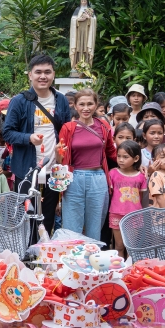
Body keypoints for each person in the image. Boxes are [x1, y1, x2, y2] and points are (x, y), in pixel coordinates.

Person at [3, 54, 72, 235]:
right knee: (26, 216)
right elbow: (7, 132)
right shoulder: (19, 101)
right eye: (38, 72)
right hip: (27, 170)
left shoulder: (61, 100)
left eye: (47, 72)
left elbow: (67, 131)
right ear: (30, 75)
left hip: (53, 170)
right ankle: (26, 257)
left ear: (53, 74)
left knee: (48, 217)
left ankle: (42, 256)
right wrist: (28, 138)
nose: (43, 76)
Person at [55, 88, 116, 240]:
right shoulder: (68, 128)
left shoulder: (103, 126)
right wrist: (57, 154)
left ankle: (93, 260)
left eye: (90, 104)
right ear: (75, 106)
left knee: (94, 227)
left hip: (98, 178)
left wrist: (137, 163)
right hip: (74, 178)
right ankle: (72, 261)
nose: (86, 108)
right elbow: (61, 160)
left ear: (96, 105)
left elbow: (111, 153)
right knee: (71, 227)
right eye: (82, 104)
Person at [108, 140, 146, 258]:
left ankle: (130, 272)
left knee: (131, 246)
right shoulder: (113, 173)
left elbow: (142, 196)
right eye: (119, 156)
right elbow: (110, 193)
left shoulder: (141, 176)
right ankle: (118, 270)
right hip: (116, 214)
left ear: (135, 159)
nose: (120, 160)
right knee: (119, 245)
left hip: (134, 216)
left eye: (125, 157)